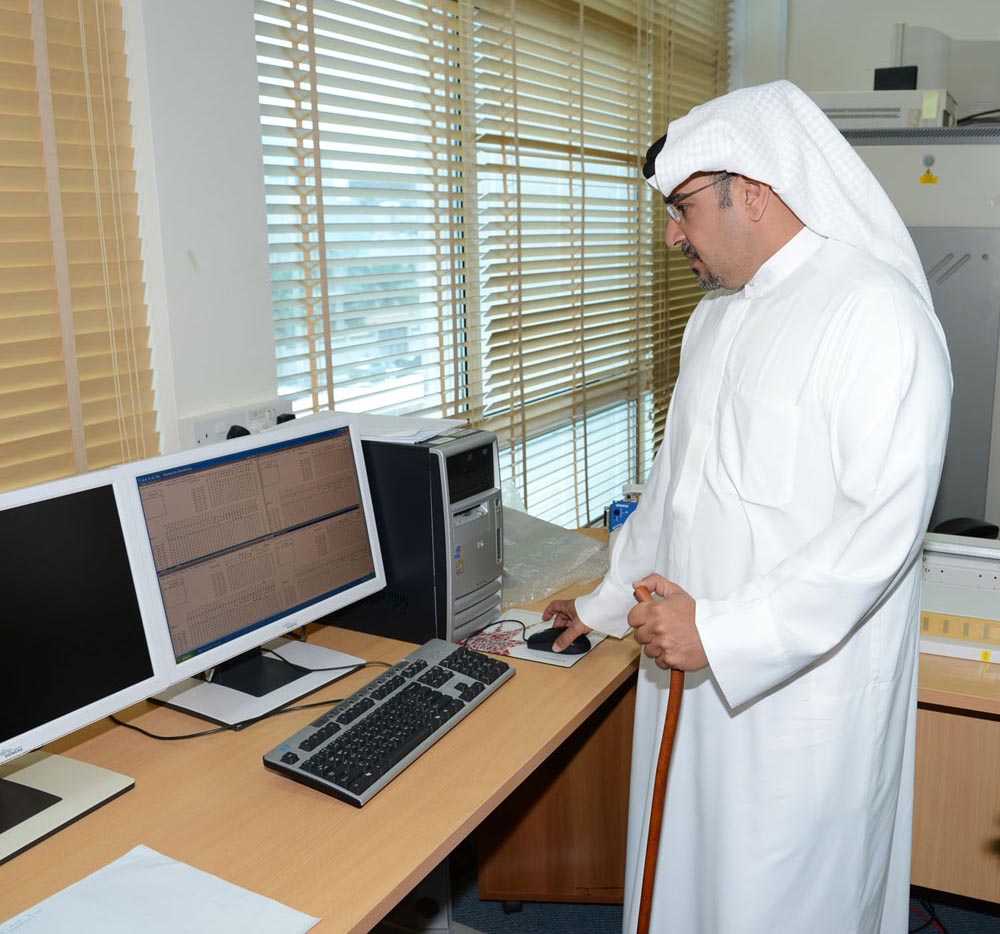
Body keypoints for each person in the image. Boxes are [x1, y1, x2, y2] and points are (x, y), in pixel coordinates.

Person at [542, 80, 952, 934]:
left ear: (754, 193)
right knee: (686, 882)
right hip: (690, 666)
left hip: (797, 697)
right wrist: (602, 606)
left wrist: (723, 632)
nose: (672, 233)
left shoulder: (875, 314)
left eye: (684, 208)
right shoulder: (715, 320)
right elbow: (675, 494)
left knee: (777, 902)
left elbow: (878, 533)